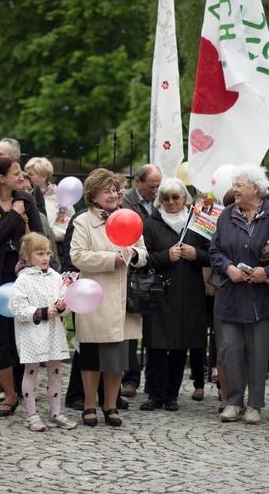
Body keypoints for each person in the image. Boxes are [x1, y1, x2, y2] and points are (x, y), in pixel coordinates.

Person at [209, 164, 269, 424]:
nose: (234, 189)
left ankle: (255, 405)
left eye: (239, 185)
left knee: (259, 354)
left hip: (262, 297)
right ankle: (234, 402)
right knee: (230, 351)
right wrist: (228, 268)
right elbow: (214, 251)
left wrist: (266, 270)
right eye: (234, 185)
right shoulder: (226, 215)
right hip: (231, 295)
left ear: (255, 189)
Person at [70, 168, 148, 427]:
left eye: (115, 190)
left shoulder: (128, 218)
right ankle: (89, 405)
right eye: (107, 191)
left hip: (123, 297)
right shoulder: (84, 221)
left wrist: (135, 256)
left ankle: (111, 406)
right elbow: (78, 256)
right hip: (95, 298)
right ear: (93, 196)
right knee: (91, 355)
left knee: (117, 358)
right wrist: (111, 259)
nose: (114, 194)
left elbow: (142, 251)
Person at [0, 156, 43, 417]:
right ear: (1, 178)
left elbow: (37, 237)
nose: (22, 177)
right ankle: (11, 395)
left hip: (21, 276)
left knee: (18, 338)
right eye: (16, 174)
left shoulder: (26, 199)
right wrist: (13, 214)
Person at [140, 179, 210, 412]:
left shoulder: (197, 223)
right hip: (159, 292)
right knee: (157, 346)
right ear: (161, 200)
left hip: (188, 292)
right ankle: (155, 394)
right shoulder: (150, 223)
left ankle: (172, 395)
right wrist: (164, 257)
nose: (171, 203)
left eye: (176, 198)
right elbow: (142, 258)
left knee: (181, 345)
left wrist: (195, 254)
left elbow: (213, 255)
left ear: (184, 199)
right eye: (166, 198)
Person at [9, 232, 77, 431]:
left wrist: (63, 306)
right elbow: (18, 308)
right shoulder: (23, 280)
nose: (46, 257)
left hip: (53, 333)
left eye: (47, 253)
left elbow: (63, 298)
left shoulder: (55, 277)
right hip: (32, 333)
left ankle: (56, 411)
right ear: (28, 256)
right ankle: (31, 414)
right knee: (31, 372)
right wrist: (42, 312)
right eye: (40, 253)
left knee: (55, 372)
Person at [120, 164, 162, 398]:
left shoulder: (157, 201)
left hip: (153, 266)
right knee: (129, 328)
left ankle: (152, 380)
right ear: (137, 182)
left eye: (157, 186)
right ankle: (130, 378)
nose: (154, 191)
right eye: (150, 186)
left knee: (152, 328)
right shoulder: (125, 201)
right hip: (131, 268)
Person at [25, 157, 75, 243]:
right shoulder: (25, 194)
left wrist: (51, 235)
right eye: (26, 174)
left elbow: (65, 225)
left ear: (43, 177)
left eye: (30, 174)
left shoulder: (61, 198)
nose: (26, 178)